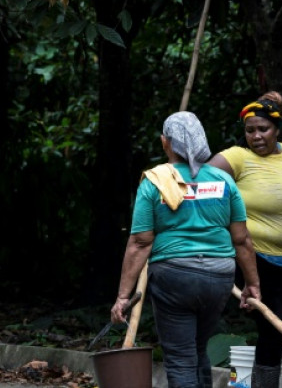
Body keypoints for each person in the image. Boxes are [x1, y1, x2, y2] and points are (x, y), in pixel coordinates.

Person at [111, 111, 260, 388]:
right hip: (219, 276)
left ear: (165, 142)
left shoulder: (154, 181)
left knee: (180, 357)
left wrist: (123, 296)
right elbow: (242, 240)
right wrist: (252, 284)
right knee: (196, 347)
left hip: (174, 276)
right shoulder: (223, 181)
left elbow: (140, 243)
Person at [208, 92, 282, 388]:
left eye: (263, 129)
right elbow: (198, 188)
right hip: (259, 258)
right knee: (275, 326)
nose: (256, 136)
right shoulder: (235, 157)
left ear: (277, 129)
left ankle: (263, 382)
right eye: (250, 130)